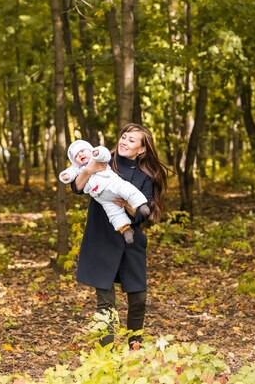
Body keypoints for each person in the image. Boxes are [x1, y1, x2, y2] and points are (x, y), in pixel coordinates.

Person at [71, 123, 168, 348]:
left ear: (141, 149)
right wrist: (88, 169)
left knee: (138, 297)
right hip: (101, 238)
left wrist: (126, 204)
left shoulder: (146, 176)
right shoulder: (104, 158)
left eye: (132, 140)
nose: (124, 141)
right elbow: (76, 186)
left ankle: (134, 346)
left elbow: (144, 211)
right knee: (105, 301)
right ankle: (106, 353)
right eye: (124, 137)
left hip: (130, 239)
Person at [59, 140, 151, 244]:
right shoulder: (77, 168)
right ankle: (125, 229)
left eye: (82, 151)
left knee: (127, 189)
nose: (80, 155)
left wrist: (98, 153)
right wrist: (65, 176)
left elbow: (105, 154)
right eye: (76, 156)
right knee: (113, 213)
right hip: (102, 197)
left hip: (112, 184)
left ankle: (140, 204)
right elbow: (71, 176)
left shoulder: (96, 158)